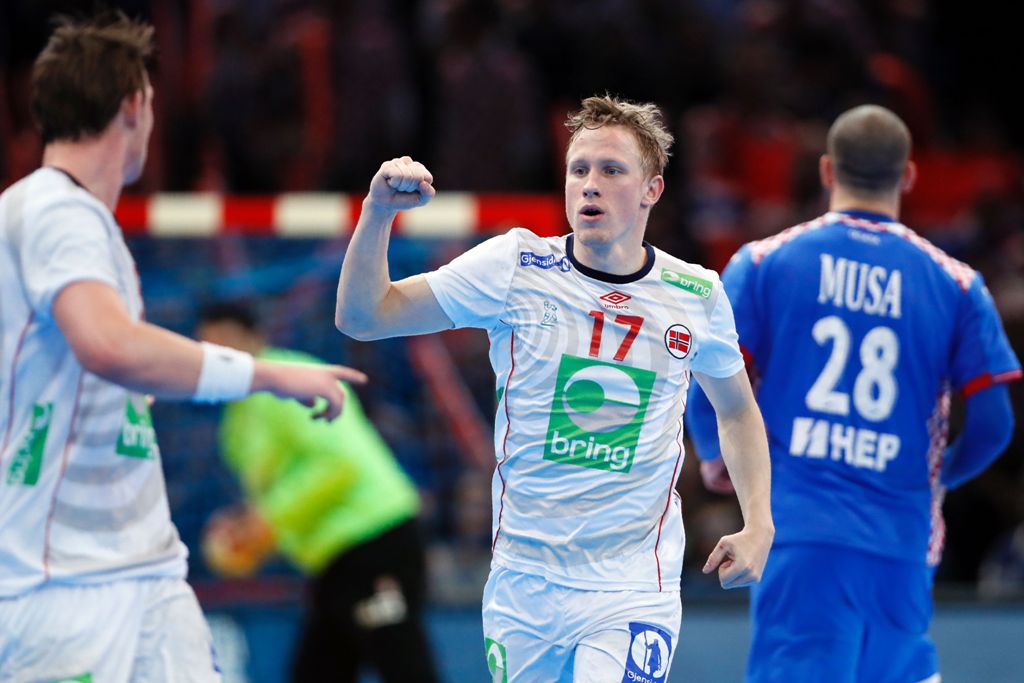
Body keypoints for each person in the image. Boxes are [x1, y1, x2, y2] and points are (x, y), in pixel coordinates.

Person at [336, 95, 774, 682]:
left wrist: (758, 524)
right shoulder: (515, 264)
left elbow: (738, 410)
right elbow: (364, 316)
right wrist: (378, 213)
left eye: (612, 170)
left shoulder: (695, 293)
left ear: (653, 190)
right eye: (579, 169)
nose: (590, 184)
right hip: (525, 583)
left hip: (632, 585)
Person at [0, 13, 365, 682]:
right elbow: (108, 344)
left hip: (143, 572)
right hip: (65, 587)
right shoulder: (55, 210)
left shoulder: (81, 224)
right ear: (135, 105)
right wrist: (268, 374)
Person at [685, 104, 1021, 683]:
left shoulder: (763, 263)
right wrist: (935, 479)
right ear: (909, 176)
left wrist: (720, 464)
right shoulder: (958, 284)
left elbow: (710, 387)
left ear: (825, 171)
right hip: (901, 534)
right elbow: (994, 424)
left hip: (798, 527)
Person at [196, 302, 440, 683]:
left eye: (228, 345)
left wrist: (266, 520)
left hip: (375, 540)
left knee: (403, 664)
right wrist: (246, 529)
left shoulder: (286, 380)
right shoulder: (235, 423)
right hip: (331, 559)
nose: (220, 358)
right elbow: (280, 496)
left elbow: (337, 463)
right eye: (210, 350)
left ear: (255, 339)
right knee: (319, 671)